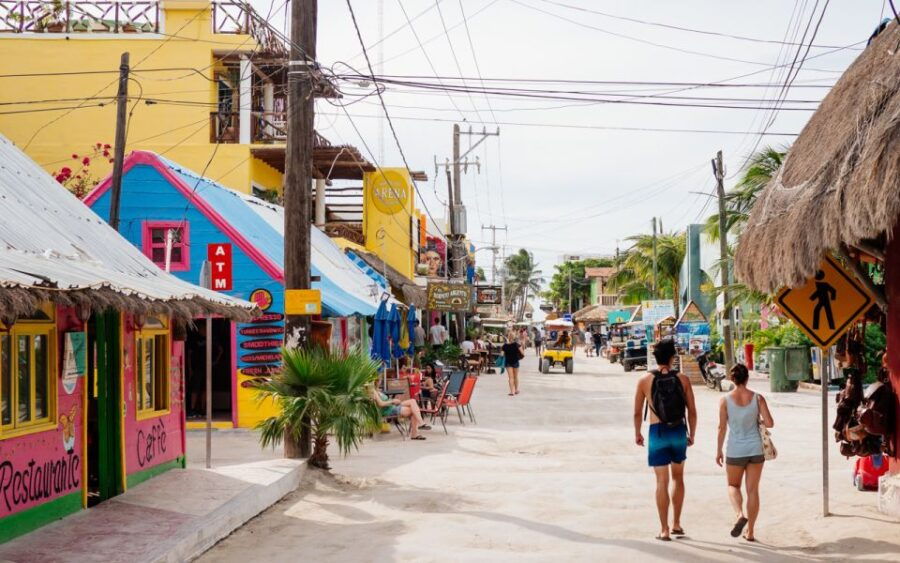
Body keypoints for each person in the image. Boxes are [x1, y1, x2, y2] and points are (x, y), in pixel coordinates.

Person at [633, 338, 698, 541]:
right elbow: (692, 411)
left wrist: (637, 433)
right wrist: (692, 434)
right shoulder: (683, 379)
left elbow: (637, 413)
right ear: (672, 358)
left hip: (657, 432)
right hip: (678, 430)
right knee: (678, 478)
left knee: (661, 481)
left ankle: (664, 529)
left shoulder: (644, 380)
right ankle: (677, 523)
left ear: (655, 357)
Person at [716, 364, 774, 542]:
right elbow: (770, 423)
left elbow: (722, 427)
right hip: (756, 449)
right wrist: (758, 419)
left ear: (732, 379)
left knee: (733, 486)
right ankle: (750, 532)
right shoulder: (758, 398)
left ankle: (739, 514)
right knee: (753, 490)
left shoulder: (725, 400)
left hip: (735, 449)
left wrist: (718, 450)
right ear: (747, 378)